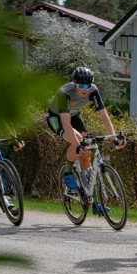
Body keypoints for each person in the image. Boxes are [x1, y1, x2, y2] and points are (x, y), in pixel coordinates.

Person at [46, 67, 124, 214]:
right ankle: (68, 172)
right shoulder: (65, 92)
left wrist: (113, 136)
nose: (84, 89)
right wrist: (76, 145)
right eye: (81, 86)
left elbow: (104, 116)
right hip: (57, 118)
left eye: (87, 86)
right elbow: (66, 123)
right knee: (79, 140)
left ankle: (94, 202)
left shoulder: (93, 90)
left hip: (74, 115)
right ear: (75, 84)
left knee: (86, 154)